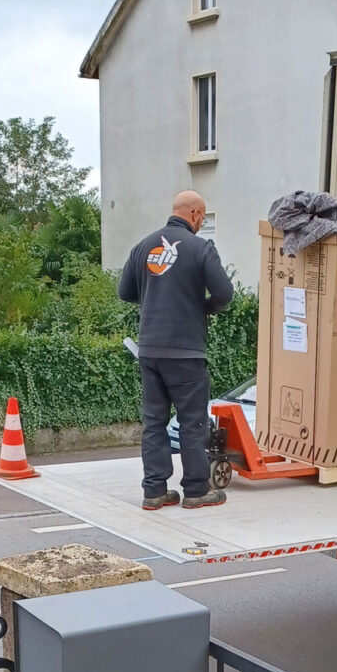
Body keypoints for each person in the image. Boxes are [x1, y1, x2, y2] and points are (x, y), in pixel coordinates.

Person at [119, 191, 234, 510]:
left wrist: (155, 299)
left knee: (154, 421)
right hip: (186, 352)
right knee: (192, 421)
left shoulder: (143, 246)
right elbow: (225, 294)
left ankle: (154, 491)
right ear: (196, 214)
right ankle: (196, 490)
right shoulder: (201, 248)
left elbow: (124, 291)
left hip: (150, 350)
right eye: (203, 217)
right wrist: (203, 307)